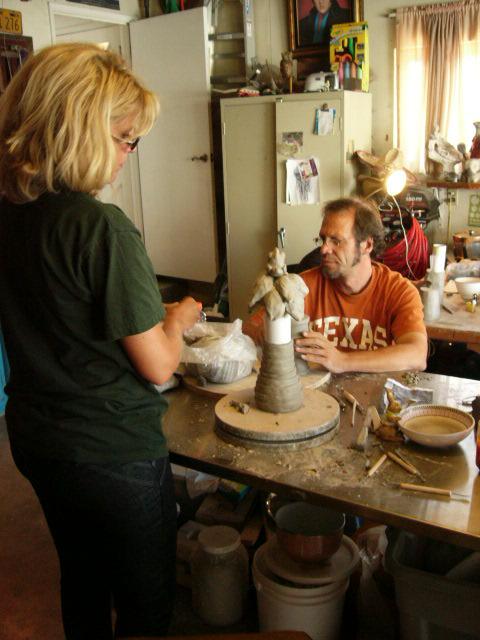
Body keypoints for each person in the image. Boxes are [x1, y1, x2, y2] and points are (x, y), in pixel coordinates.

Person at [0, 43, 202, 639]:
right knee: (146, 606)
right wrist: (177, 321)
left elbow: (63, 312)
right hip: (110, 451)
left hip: (36, 438)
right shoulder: (99, 226)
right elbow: (158, 367)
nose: (127, 154)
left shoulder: (9, 216)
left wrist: (146, 313)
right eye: (123, 138)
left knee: (82, 579)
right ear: (77, 132)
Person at [244, 197, 428, 373]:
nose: (324, 249)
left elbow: (417, 355)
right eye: (323, 239)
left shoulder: (398, 290)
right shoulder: (302, 286)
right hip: (313, 389)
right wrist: (272, 333)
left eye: (336, 241)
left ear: (367, 245)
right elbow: (249, 331)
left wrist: (342, 361)